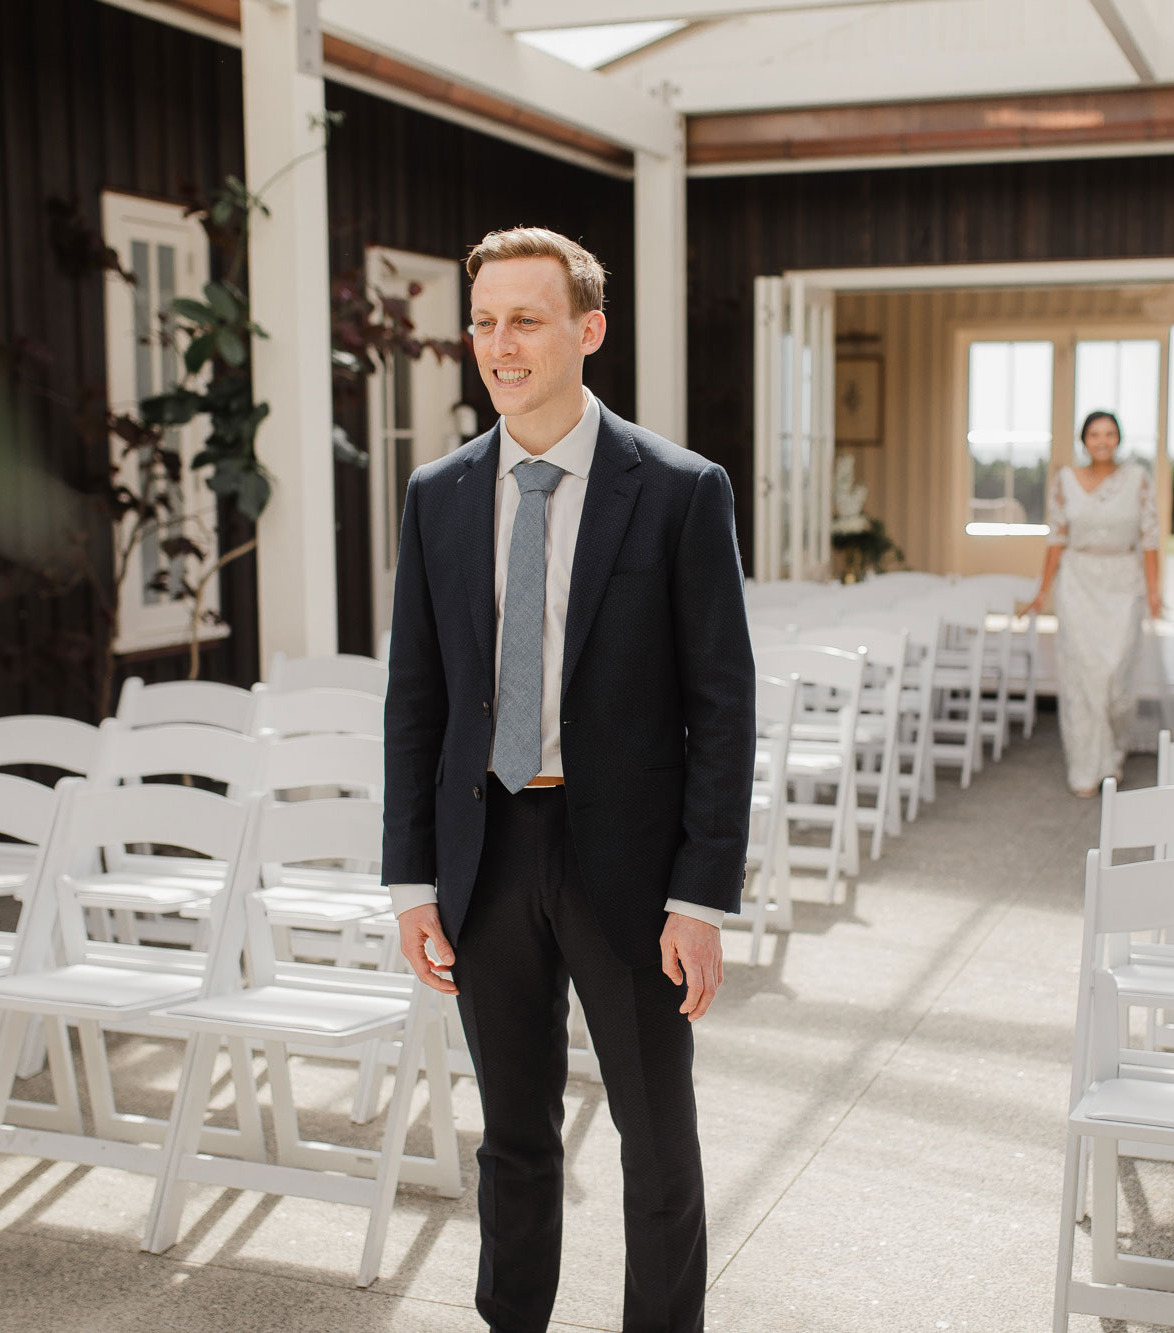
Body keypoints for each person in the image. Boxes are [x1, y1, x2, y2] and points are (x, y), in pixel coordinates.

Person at [381, 226, 756, 1333]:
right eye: (485, 320)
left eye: (526, 319)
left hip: (628, 867)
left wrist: (698, 897)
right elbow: (417, 698)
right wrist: (411, 880)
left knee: (653, 1133)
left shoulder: (680, 490)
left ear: (586, 330)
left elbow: (722, 707)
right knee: (512, 1134)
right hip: (485, 852)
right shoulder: (438, 493)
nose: (500, 343)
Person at [1019, 411, 1162, 797]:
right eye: (1095, 434)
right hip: (1078, 581)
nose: (1102, 441)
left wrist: (1154, 591)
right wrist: (1041, 590)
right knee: (1083, 676)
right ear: (1084, 440)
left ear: (1118, 439)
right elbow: (1056, 539)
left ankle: (1112, 753)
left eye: (1109, 434)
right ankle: (1085, 767)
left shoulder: (1138, 479)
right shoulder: (1064, 480)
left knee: (1115, 676)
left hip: (1122, 580)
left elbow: (1150, 539)